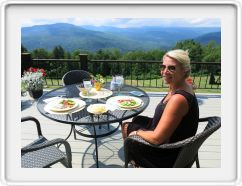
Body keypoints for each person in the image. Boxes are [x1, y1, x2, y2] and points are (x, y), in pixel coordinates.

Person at [121, 49, 199, 167]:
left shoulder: (178, 99)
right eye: (163, 67)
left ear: (184, 70)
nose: (165, 72)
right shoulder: (184, 85)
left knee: (126, 127)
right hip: (175, 139)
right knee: (137, 119)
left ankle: (135, 160)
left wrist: (137, 132)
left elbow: (157, 139)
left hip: (166, 153)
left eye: (171, 68)